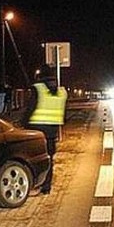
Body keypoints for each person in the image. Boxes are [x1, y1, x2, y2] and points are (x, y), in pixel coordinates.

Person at [23, 64, 68, 194]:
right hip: (52, 132)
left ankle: (34, 184)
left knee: (33, 159)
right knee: (49, 158)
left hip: (36, 131)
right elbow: (64, 114)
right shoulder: (61, 92)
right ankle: (46, 187)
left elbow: (30, 108)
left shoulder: (38, 89)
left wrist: (24, 125)